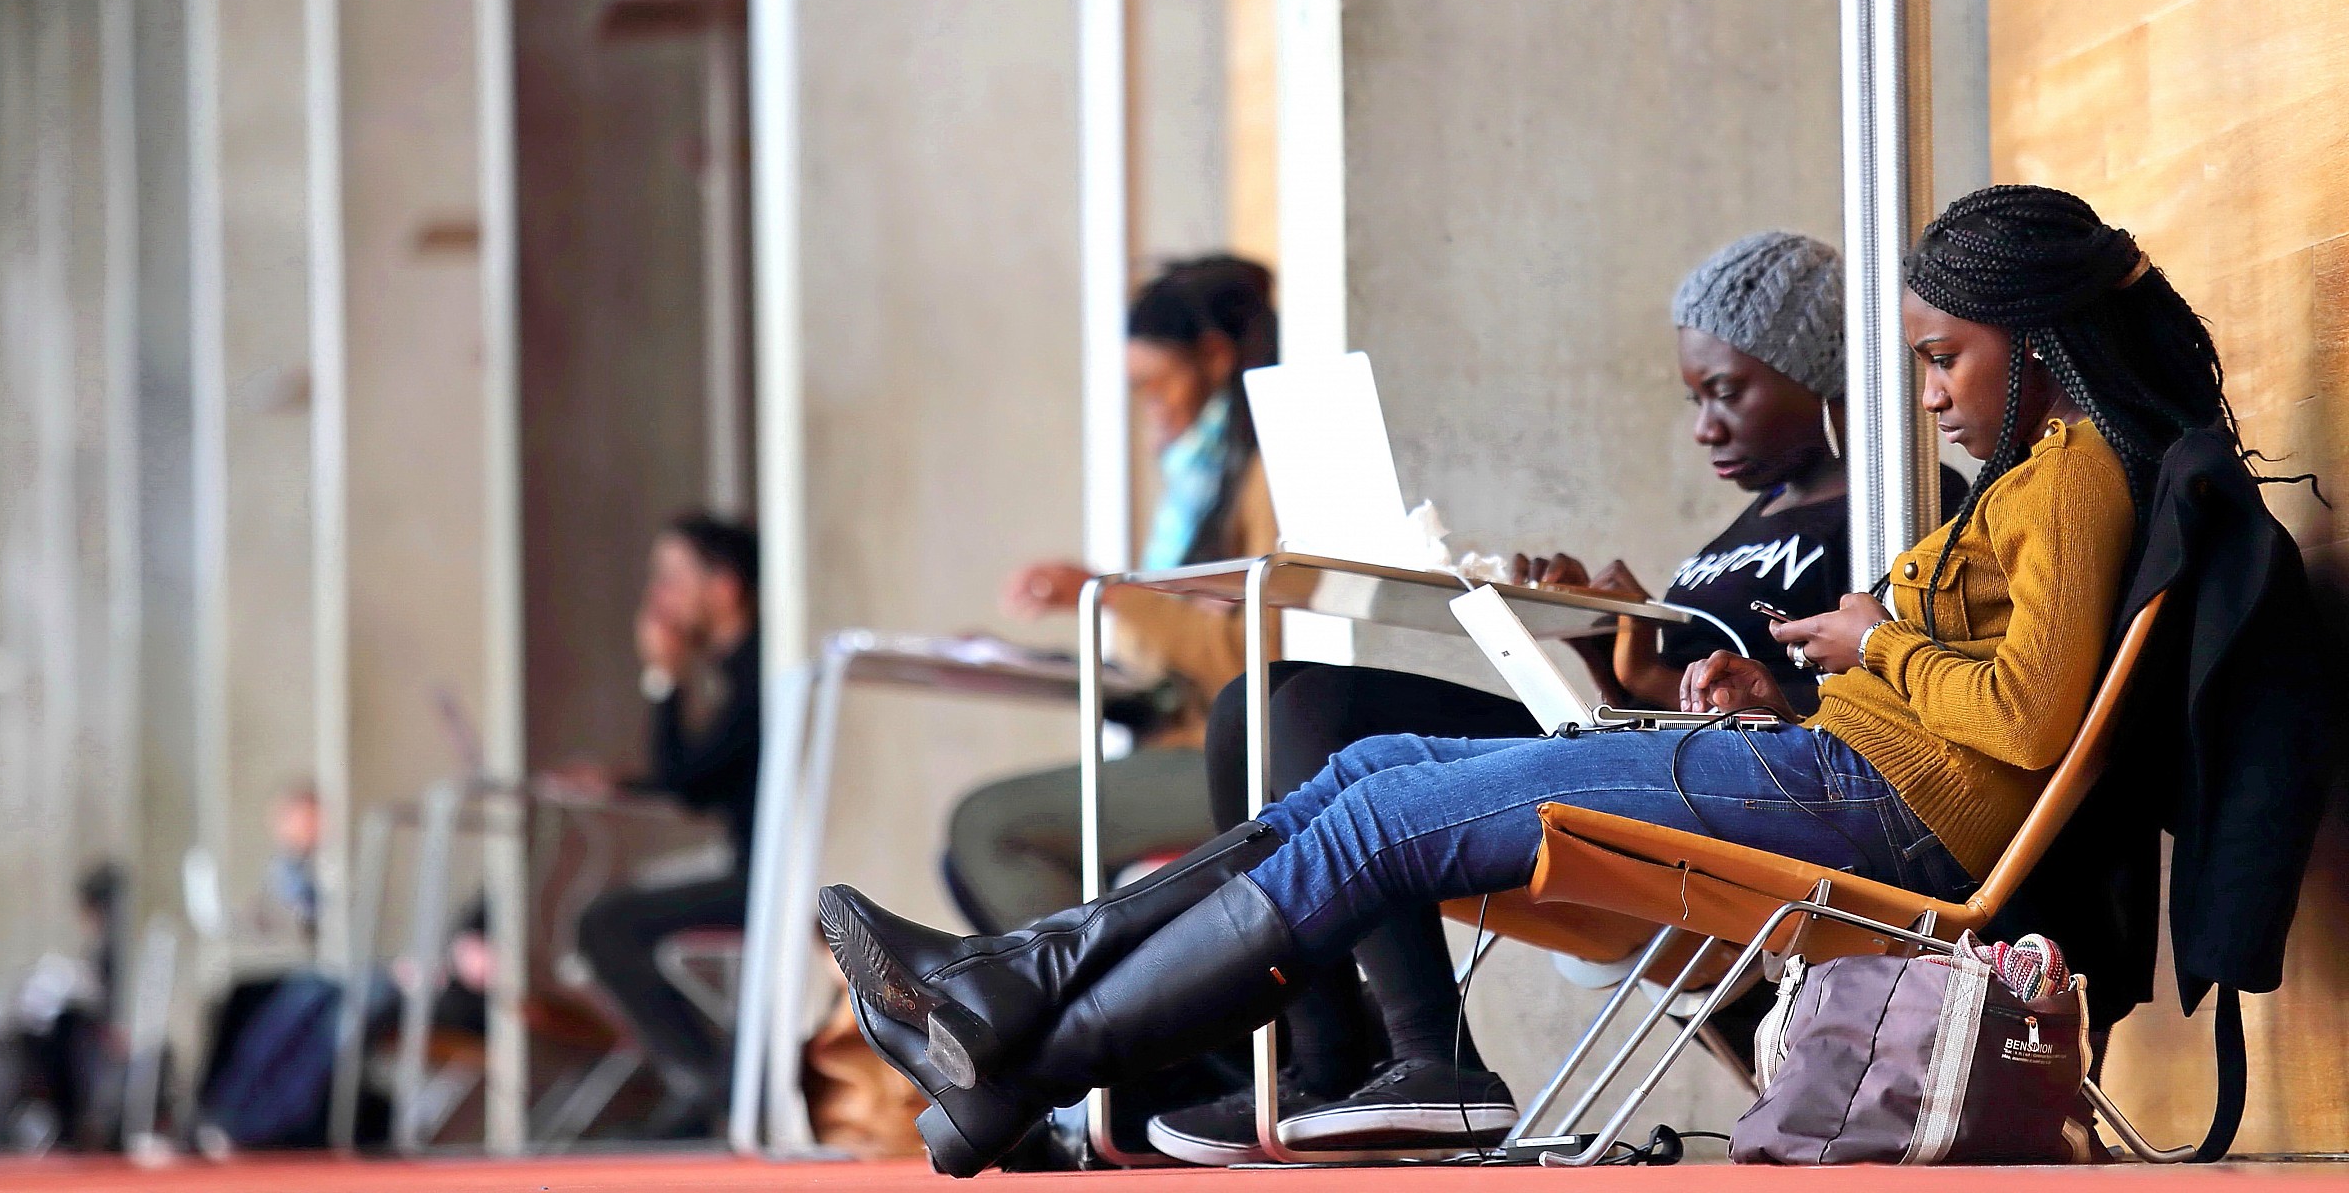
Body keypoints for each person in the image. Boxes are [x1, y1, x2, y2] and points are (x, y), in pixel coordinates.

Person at [820, 185, 2224, 1177]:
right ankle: (1008, 1013)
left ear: (2035, 343)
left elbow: (2034, 721)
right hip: (1835, 774)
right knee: (1367, 773)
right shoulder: (2035, 478)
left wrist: (1879, 643)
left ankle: (1017, 1033)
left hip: (1873, 802)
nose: (1927, 391)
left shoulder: (2086, 476)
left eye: (1944, 359)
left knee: (1378, 813)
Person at [1150, 230, 1981, 1160]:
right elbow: (1655, 699)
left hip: (1762, 796)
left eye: (1728, 392)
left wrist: (1758, 687)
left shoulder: (1900, 504)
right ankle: (1328, 1056)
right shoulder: (1750, 519)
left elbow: (1878, 707)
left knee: (1312, 717)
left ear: (1816, 373)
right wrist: (1601, 636)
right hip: (1644, 755)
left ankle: (1435, 1059)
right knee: (1262, 703)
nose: (1705, 426)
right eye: (1694, 398)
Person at [944, 256, 1279, 934]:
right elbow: (1174, 647)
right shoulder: (1201, 486)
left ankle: (1111, 1023)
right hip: (1182, 742)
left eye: (1158, 384)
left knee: (988, 826)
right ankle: (1116, 1014)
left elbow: (1248, 662)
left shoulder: (1262, 480)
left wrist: (1110, 595)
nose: (1151, 409)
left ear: (1214, 358)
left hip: (1240, 760)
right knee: (968, 855)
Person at [568, 513, 761, 1136]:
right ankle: (711, 1080)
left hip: (766, 880)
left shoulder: (758, 669)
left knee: (606, 922)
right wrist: (628, 782)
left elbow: (691, 783)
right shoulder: (743, 670)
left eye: (672, 579)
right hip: (749, 868)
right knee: (622, 906)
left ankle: (703, 1079)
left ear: (725, 588)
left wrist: (663, 678)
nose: (658, 598)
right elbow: (714, 774)